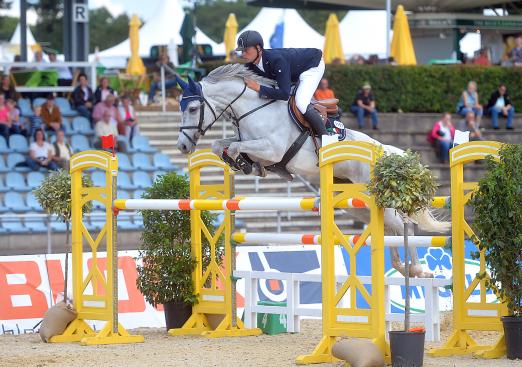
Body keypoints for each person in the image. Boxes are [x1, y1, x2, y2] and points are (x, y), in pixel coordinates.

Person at [236, 30, 329, 141]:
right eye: (242, 51)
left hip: (312, 66)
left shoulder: (277, 60)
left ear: (258, 48)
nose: (243, 54)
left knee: (301, 102)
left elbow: (285, 94)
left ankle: (326, 141)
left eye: (246, 50)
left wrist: (258, 88)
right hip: (294, 70)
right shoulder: (250, 65)